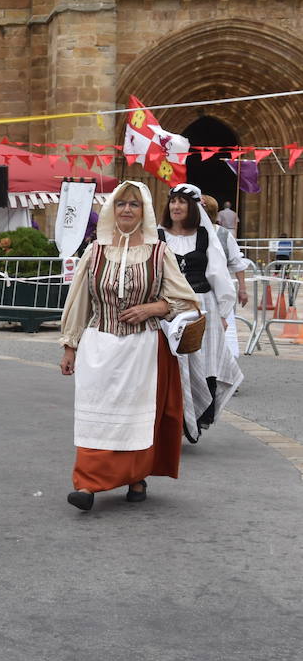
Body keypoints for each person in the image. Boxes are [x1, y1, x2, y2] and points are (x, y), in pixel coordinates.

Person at [59, 180, 200, 511]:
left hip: (143, 348)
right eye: (121, 203)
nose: (126, 209)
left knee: (136, 417)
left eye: (134, 204)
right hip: (99, 345)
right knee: (97, 416)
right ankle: (87, 483)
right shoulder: (95, 251)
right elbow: (80, 301)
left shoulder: (159, 252)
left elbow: (186, 300)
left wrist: (153, 308)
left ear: (144, 210)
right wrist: (70, 346)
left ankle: (137, 477)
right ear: (112, 208)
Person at [157, 183, 243, 442]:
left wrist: (223, 313)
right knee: (170, 365)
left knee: (202, 364)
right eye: (173, 201)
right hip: (168, 308)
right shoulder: (158, 236)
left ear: (193, 207)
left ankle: (192, 419)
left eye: (182, 202)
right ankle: (171, 420)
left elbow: (218, 273)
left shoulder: (205, 236)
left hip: (203, 307)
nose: (176, 206)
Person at [202, 195, 251, 359]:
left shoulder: (223, 234)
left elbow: (237, 262)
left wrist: (242, 289)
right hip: (195, 291)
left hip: (219, 292)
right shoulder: (186, 234)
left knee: (224, 337)